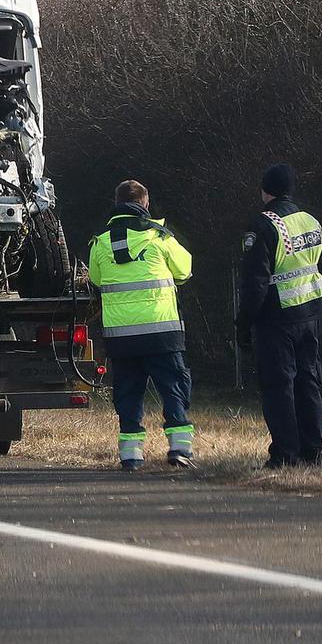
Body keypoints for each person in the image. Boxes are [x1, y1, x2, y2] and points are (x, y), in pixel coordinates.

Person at [87, 180, 195, 470]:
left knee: (128, 394)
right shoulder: (160, 237)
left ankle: (131, 456)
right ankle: (179, 450)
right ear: (145, 204)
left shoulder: (99, 242)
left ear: (116, 202)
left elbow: (96, 280)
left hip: (122, 337)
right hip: (162, 332)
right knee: (173, 388)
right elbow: (185, 269)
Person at [235, 164, 322, 469]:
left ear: (265, 191)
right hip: (311, 313)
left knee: (278, 387)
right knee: (308, 382)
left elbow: (255, 282)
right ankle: (314, 450)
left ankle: (285, 454)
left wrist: (244, 322)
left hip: (276, 318)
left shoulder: (263, 225)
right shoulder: (311, 221)